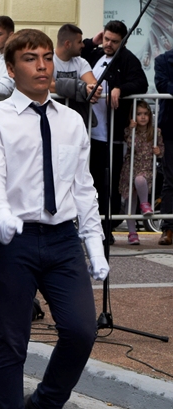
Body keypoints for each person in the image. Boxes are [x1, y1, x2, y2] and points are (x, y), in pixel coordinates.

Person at [0, 28, 107, 409]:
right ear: (11, 69)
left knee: (82, 330)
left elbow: (82, 187)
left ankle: (44, 406)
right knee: (12, 341)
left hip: (63, 239)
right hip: (13, 241)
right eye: (31, 59)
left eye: (47, 57)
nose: (43, 66)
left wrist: (94, 242)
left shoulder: (70, 120)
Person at [82, 20, 149, 244]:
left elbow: (141, 82)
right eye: (107, 39)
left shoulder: (128, 60)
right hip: (88, 132)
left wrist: (121, 88)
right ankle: (88, 226)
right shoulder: (93, 54)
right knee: (87, 181)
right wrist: (93, 41)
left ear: (124, 41)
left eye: (114, 41)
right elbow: (74, 51)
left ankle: (105, 228)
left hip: (111, 135)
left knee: (107, 184)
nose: (108, 44)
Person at [118, 102, 163, 244]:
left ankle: (145, 204)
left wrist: (159, 152)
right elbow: (131, 145)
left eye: (145, 114)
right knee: (130, 200)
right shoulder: (129, 131)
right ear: (133, 116)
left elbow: (161, 149)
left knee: (140, 180)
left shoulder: (156, 132)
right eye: (139, 114)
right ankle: (132, 233)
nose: (142, 117)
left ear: (149, 115)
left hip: (146, 167)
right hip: (131, 167)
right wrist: (132, 130)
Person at [153, 46, 173, 245]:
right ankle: (168, 228)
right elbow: (163, 85)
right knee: (170, 179)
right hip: (170, 127)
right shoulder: (162, 61)